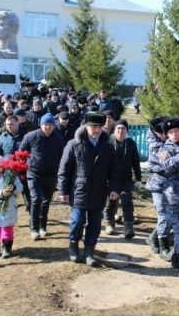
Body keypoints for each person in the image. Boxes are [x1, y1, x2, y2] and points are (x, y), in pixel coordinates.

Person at [58, 113, 119, 266]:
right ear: (86, 127)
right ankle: (73, 246)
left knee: (95, 224)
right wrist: (63, 190)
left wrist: (114, 188)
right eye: (94, 127)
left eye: (99, 127)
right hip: (79, 189)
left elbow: (114, 170)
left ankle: (89, 252)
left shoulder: (108, 146)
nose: (97, 130)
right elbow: (64, 169)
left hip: (99, 190)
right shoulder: (74, 144)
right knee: (78, 221)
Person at [19, 114, 64, 240]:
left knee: (46, 201)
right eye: (45, 124)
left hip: (51, 174)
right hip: (34, 173)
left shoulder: (58, 138)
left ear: (54, 126)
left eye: (50, 125)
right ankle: (34, 228)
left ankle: (43, 227)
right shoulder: (31, 136)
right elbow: (21, 152)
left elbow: (61, 155)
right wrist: (22, 169)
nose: (47, 127)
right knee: (36, 199)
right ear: (41, 125)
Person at [158, 117, 179, 275]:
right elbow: (167, 166)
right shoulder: (165, 149)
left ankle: (177, 256)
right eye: (170, 132)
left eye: (176, 130)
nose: (174, 134)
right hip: (173, 195)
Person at [103, 119, 142, 238]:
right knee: (110, 203)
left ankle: (128, 227)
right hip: (110, 180)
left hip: (126, 180)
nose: (120, 131)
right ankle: (110, 224)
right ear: (114, 129)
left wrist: (139, 178)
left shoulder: (130, 143)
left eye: (123, 128)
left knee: (127, 202)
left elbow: (135, 162)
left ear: (126, 130)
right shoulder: (108, 142)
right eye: (118, 128)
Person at [145, 116, 169, 255]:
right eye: (161, 132)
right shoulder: (154, 144)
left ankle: (153, 236)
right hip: (159, 184)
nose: (165, 135)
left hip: (173, 186)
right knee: (163, 216)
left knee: (170, 218)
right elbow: (164, 162)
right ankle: (162, 245)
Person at [0, 115, 30, 212]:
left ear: (18, 123)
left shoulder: (26, 136)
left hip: (23, 169)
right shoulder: (3, 137)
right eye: (7, 124)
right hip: (8, 170)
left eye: (12, 124)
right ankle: (6, 210)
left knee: (26, 191)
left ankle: (31, 212)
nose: (9, 126)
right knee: (8, 190)